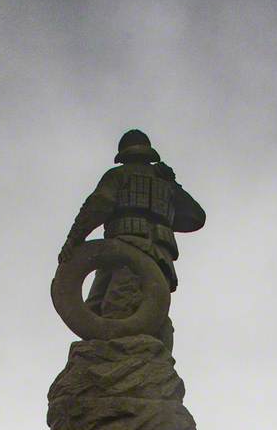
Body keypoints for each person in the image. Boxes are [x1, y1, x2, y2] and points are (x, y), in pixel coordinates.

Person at [57, 130, 206, 317]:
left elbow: (99, 205)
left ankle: (123, 344)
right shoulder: (165, 184)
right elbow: (195, 217)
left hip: (129, 248)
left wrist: (74, 238)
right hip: (145, 253)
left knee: (117, 309)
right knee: (96, 307)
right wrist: (170, 190)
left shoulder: (118, 175)